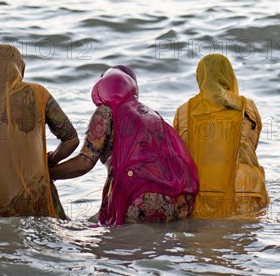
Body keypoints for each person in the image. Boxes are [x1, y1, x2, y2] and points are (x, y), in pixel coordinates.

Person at [50, 66, 199, 226]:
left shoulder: (105, 112)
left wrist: (49, 173)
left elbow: (85, 162)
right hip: (177, 199)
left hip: (136, 198)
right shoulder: (149, 114)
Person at [0, 44, 78, 218]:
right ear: (20, 68)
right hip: (29, 196)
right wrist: (49, 161)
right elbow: (71, 139)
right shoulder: (37, 94)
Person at [173, 54, 269, 219]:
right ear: (229, 75)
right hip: (245, 188)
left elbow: (179, 153)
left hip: (199, 191)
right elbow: (252, 144)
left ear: (200, 78)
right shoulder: (248, 107)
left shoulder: (184, 111)